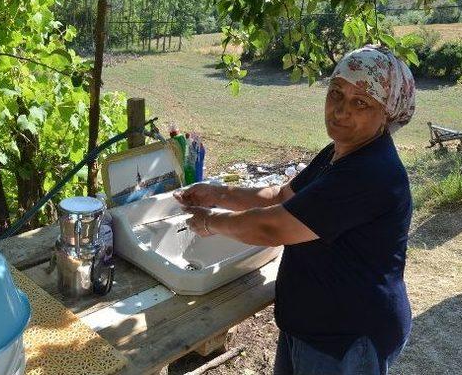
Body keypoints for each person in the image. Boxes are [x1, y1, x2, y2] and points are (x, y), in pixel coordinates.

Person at [174, 45, 416, 375]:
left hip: (346, 339)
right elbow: (280, 195)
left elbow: (273, 227)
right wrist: (215, 193)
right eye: (336, 94)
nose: (341, 110)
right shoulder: (338, 152)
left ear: (386, 113)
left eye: (361, 102)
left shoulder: (370, 172)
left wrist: (209, 222)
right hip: (313, 326)